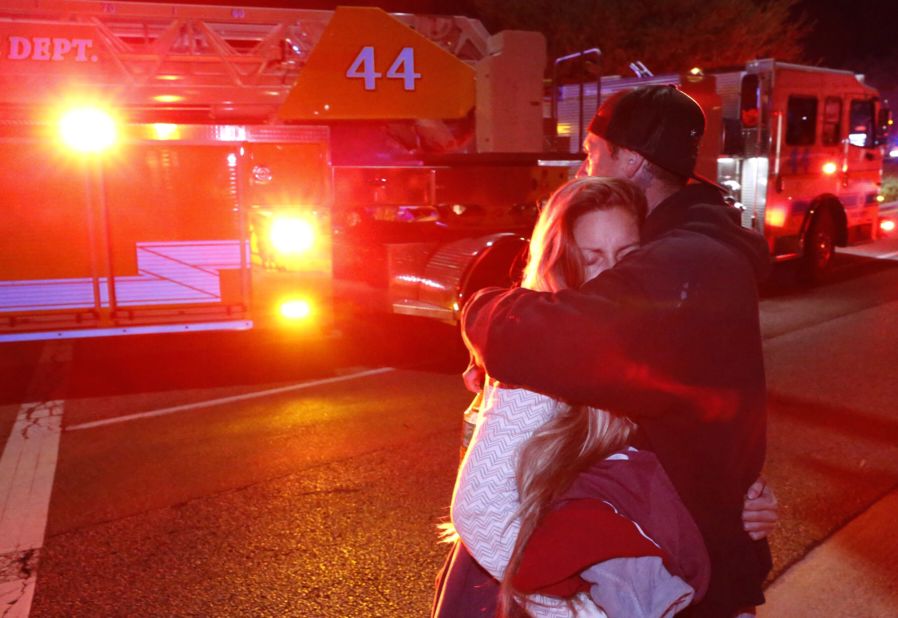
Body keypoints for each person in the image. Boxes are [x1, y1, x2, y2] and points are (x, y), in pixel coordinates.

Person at [460, 85, 776, 617]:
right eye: (593, 256)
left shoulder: (683, 263)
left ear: (628, 161)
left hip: (689, 582)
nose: (585, 169)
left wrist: (480, 308)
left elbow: (545, 340)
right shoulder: (699, 251)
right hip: (678, 573)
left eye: (592, 153)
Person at [445, 176, 711, 618]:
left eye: (627, 256)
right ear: (564, 264)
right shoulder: (541, 349)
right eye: (592, 259)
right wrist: (569, 610)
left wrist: (739, 494)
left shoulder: (649, 337)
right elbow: (480, 513)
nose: (612, 273)